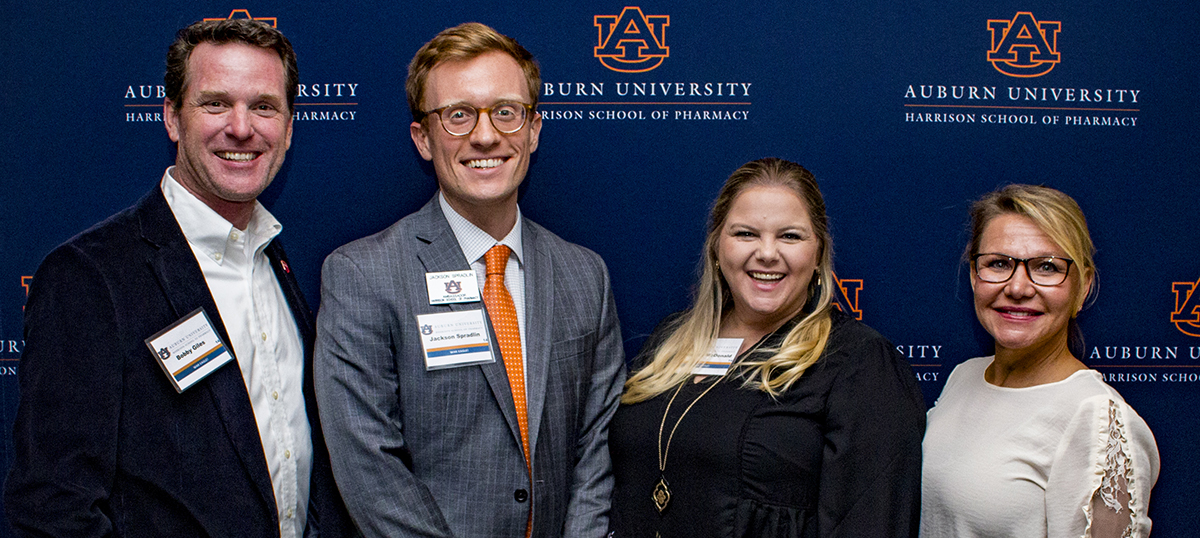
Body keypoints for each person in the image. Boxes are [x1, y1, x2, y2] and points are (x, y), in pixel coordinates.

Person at [4, 18, 351, 537]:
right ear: (171, 117)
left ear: (290, 126)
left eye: (264, 106)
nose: (241, 127)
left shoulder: (274, 256)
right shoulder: (89, 278)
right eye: (215, 103)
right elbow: (54, 506)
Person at [314, 22, 625, 538]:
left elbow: (596, 445)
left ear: (533, 129)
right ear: (423, 138)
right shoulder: (363, 276)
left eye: (506, 112)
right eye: (458, 115)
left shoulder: (584, 275)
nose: (486, 135)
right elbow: (369, 469)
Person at [608, 158, 926, 538]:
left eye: (790, 236)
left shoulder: (860, 364)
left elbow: (872, 522)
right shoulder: (669, 342)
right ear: (716, 246)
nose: (767, 253)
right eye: (745, 234)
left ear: (819, 252)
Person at [920, 185, 1159, 538]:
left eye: (1046, 267)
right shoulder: (964, 377)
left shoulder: (1096, 418)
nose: (1018, 287)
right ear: (974, 276)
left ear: (1083, 286)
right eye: (998, 263)